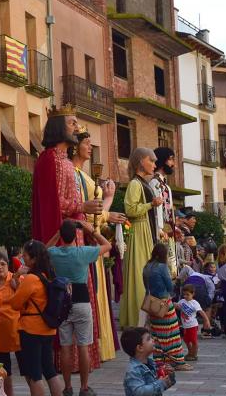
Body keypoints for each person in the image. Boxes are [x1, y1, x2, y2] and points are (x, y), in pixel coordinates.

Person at [70, 127, 125, 363]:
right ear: (75, 146)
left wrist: (108, 205)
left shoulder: (86, 177)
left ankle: (98, 345)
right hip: (86, 240)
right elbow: (86, 214)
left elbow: (95, 213)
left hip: (93, 240)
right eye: (87, 143)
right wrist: (108, 208)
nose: (90, 148)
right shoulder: (72, 175)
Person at [47, 220, 112, 396]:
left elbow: (43, 250)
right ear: (76, 236)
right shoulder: (83, 252)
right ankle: (84, 387)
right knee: (83, 346)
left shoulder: (55, 253)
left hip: (63, 302)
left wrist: (57, 234)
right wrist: (92, 231)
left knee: (65, 347)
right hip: (82, 299)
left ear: (61, 236)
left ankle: (67, 387)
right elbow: (108, 245)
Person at [8, 240, 66, 396]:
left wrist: (16, 280)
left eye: (25, 256)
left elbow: (15, 303)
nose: (22, 258)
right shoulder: (49, 276)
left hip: (31, 328)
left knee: (34, 373)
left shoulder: (32, 279)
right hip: (48, 328)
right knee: (50, 370)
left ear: (33, 259)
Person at [31, 105, 101, 243]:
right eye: (72, 123)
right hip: (60, 242)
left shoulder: (66, 161)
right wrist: (83, 206)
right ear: (58, 128)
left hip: (76, 238)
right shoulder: (49, 158)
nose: (77, 128)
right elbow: (52, 203)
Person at [120, 147, 162, 328]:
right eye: (151, 160)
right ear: (140, 162)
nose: (154, 164)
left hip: (146, 231)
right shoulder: (135, 184)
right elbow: (130, 210)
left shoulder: (142, 184)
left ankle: (143, 319)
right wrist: (150, 204)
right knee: (140, 276)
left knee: (144, 275)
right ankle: (137, 320)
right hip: (138, 232)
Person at [143, 243, 191, 370]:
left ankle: (160, 361)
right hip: (164, 304)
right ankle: (176, 361)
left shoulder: (146, 267)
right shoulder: (162, 267)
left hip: (152, 304)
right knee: (172, 333)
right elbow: (170, 287)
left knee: (157, 335)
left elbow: (145, 286)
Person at [0, 252, 21, 396]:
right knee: (4, 367)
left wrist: (18, 286)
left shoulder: (15, 281)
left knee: (26, 366)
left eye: (2, 264)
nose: (0, 268)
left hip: (17, 329)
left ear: (8, 265)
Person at [149, 147, 178, 277]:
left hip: (168, 232)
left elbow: (168, 210)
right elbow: (156, 210)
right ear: (162, 161)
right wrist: (160, 229)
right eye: (170, 159)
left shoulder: (165, 185)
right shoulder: (154, 183)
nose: (173, 164)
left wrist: (174, 226)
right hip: (161, 233)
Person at [177, 285, 208, 361]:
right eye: (184, 294)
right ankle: (190, 352)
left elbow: (201, 312)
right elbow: (178, 307)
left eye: (187, 294)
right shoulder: (182, 301)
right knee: (186, 340)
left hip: (192, 325)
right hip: (185, 325)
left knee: (193, 340)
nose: (185, 296)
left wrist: (206, 321)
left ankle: (194, 355)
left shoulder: (195, 303)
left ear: (193, 294)